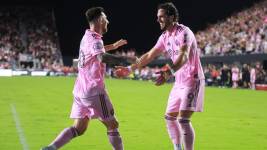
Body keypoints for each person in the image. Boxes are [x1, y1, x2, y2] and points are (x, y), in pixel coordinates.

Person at [41, 7, 135, 150]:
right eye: (106, 19)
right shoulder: (95, 40)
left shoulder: (86, 37)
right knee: (113, 124)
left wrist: (114, 46)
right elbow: (101, 56)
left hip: (80, 91)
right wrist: (125, 60)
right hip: (94, 91)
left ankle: (51, 147)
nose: (108, 21)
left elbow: (98, 49)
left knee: (79, 129)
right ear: (100, 20)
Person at [115, 2, 205, 150]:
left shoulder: (184, 32)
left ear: (172, 16)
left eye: (162, 17)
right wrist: (130, 69)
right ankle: (177, 147)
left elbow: (183, 56)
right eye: (158, 17)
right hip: (179, 82)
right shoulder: (164, 37)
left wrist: (168, 71)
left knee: (183, 120)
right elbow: (150, 55)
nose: (158, 20)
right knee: (169, 118)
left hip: (193, 80)